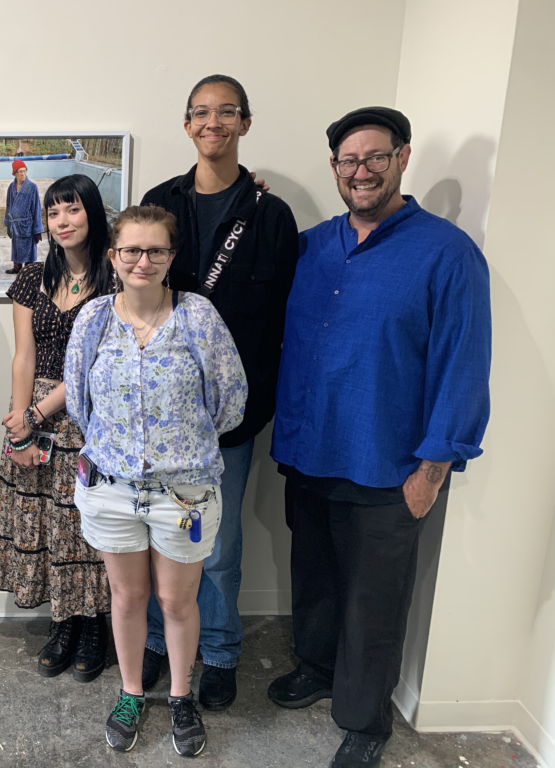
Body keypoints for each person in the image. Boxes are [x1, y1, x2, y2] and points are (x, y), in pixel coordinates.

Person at [269, 107, 491, 768]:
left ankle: (365, 718)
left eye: (375, 157)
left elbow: (463, 364)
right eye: (348, 160)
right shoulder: (310, 246)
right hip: (310, 450)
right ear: (335, 168)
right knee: (313, 577)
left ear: (402, 158)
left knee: (374, 600)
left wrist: (435, 466)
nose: (360, 171)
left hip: (391, 465)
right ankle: (314, 667)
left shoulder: (447, 253)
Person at [139, 74, 300, 711]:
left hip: (232, 418)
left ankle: (222, 652)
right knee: (159, 538)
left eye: (226, 112)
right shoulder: (158, 201)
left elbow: (288, 315)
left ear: (245, 123)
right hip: (161, 414)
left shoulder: (270, 214)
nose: (214, 123)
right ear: (186, 126)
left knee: (218, 544)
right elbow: (130, 288)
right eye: (201, 113)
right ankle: (156, 642)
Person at [65, 205, 247, 756]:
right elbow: (79, 402)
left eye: (156, 251)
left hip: (184, 492)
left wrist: (176, 450)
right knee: (127, 597)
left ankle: (182, 696)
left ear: (172, 257)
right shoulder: (94, 319)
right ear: (113, 256)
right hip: (112, 488)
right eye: (131, 251)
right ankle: (130, 692)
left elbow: (230, 402)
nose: (142, 261)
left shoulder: (198, 318)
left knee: (176, 601)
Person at [0, 174, 113, 683]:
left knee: (88, 526)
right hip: (35, 412)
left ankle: (94, 628)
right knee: (44, 522)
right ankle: (62, 624)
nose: (63, 222)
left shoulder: (116, 277)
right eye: (54, 213)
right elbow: (23, 355)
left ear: (94, 214)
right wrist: (21, 423)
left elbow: (93, 365)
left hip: (91, 414)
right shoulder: (32, 280)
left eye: (74, 210)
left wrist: (40, 415)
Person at [4, 159, 44, 275]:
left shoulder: (32, 187)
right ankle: (17, 268)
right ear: (15, 173)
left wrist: (37, 230)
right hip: (15, 224)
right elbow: (8, 205)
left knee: (28, 248)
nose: (23, 174)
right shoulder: (11, 187)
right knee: (16, 247)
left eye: (24, 171)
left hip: (27, 224)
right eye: (20, 171)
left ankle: (28, 269)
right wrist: (8, 224)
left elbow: (36, 208)